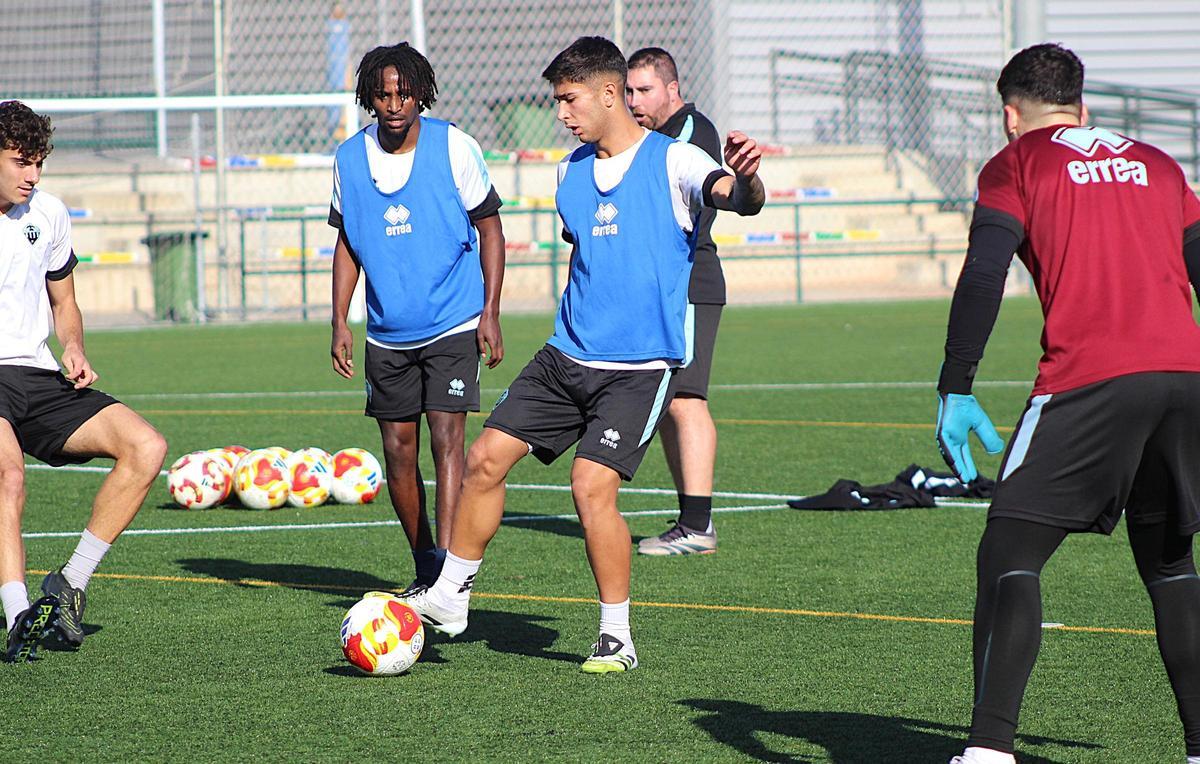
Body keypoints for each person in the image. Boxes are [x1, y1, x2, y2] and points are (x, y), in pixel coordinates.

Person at [402, 36, 765, 673]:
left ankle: (616, 635)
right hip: (565, 355)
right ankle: (452, 595)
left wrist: (749, 179)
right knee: (486, 458)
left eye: (569, 100)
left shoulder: (676, 160)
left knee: (590, 488)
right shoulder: (570, 172)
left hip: (639, 367)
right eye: (557, 102)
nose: (563, 114)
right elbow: (589, 249)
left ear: (607, 93)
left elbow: (735, 197)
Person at [934, 44, 1200, 764]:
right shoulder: (1159, 163)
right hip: (1185, 376)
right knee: (1172, 567)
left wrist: (956, 383)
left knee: (1010, 553)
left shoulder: (1015, 163)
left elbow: (985, 270)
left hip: (1089, 375)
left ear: (1010, 114)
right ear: (1081, 107)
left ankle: (989, 751)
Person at [329, 43, 505, 595]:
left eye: (404, 93)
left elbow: (491, 228)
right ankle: (425, 562)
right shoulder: (348, 159)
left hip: (453, 321)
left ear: (421, 93)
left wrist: (490, 313)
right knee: (398, 452)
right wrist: (340, 320)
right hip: (387, 333)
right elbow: (347, 244)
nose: (394, 104)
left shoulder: (454, 145)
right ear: (369, 99)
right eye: (383, 95)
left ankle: (451, 574)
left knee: (446, 440)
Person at [0, 100, 169, 662]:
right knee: (9, 474)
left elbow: (64, 302)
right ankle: (17, 612)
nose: (32, 175)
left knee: (146, 447)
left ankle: (69, 583)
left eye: (39, 162)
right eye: (21, 161)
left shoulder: (48, 213)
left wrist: (73, 346)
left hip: (38, 375)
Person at [625, 46, 724, 557]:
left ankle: (697, 525)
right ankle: (690, 515)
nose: (634, 100)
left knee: (686, 400)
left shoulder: (688, 134)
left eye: (643, 90)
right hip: (662, 284)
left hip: (689, 281)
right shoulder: (654, 137)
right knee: (669, 403)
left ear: (672, 87)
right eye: (628, 91)